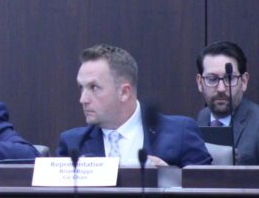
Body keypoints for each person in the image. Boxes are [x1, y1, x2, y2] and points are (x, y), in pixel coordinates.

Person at [57, 44, 211, 167]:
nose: (83, 99)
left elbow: (208, 193)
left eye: (94, 87)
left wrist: (169, 177)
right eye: (81, 88)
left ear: (124, 92)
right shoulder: (73, 144)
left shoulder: (180, 133)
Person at [194, 41, 259, 165]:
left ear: (244, 81)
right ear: (199, 83)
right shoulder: (201, 118)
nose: (221, 88)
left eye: (229, 78)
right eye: (212, 79)